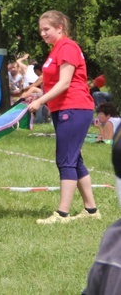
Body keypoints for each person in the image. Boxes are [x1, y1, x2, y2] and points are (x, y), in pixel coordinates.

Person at [27, 10, 100, 224]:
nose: (42, 33)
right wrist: (38, 94)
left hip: (74, 108)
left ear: (60, 28)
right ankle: (92, 210)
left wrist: (41, 102)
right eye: (40, 30)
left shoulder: (67, 47)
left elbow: (66, 83)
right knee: (75, 159)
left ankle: (62, 214)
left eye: (46, 29)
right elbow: (55, 84)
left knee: (65, 159)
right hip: (63, 108)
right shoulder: (56, 49)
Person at [83, 113, 121, 293]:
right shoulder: (114, 237)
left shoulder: (115, 238)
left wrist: (99, 128)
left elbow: (106, 140)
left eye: (99, 114)